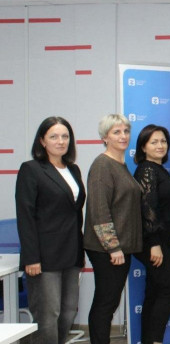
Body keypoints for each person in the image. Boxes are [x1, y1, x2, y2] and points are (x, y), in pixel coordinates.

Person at [15, 116, 85, 344]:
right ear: (42, 141)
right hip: (44, 257)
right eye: (54, 136)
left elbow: (75, 213)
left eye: (65, 136)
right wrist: (31, 257)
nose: (60, 141)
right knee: (48, 316)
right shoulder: (31, 169)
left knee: (68, 312)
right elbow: (25, 217)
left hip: (71, 253)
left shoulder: (73, 169)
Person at [84, 114, 143, 344]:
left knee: (109, 301)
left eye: (126, 131)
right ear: (105, 137)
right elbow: (99, 210)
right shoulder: (102, 165)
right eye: (116, 132)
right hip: (107, 249)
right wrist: (113, 247)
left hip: (121, 247)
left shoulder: (121, 164)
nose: (123, 136)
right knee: (105, 303)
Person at [133, 125, 170, 344]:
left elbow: (165, 210)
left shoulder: (159, 169)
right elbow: (148, 209)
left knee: (154, 291)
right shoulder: (147, 170)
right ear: (143, 147)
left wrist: (168, 242)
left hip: (162, 240)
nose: (160, 145)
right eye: (154, 142)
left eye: (163, 141)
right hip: (151, 241)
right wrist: (154, 243)